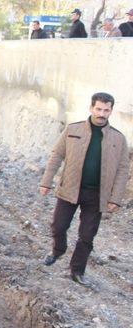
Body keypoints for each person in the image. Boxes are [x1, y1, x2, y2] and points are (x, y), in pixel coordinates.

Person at [40, 93, 129, 286]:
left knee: (87, 236)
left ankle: (77, 271)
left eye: (106, 110)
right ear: (91, 108)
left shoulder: (118, 139)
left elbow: (123, 170)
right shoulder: (73, 129)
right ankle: (58, 249)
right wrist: (46, 181)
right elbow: (56, 155)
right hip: (69, 188)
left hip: (97, 195)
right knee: (58, 226)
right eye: (98, 109)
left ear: (111, 111)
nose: (102, 114)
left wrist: (115, 198)